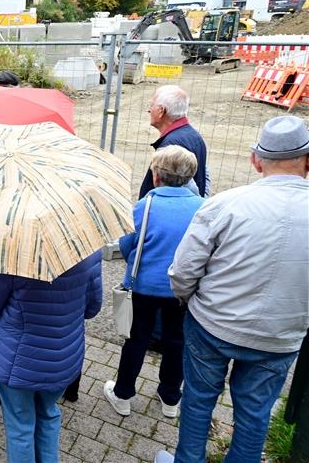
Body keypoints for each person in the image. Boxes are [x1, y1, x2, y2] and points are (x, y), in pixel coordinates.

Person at [156, 115, 309, 463]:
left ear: (256, 160)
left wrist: (186, 298)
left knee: (198, 400)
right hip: (280, 336)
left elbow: (182, 271)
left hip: (212, 325)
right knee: (255, 414)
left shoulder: (224, 205)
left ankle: (188, 459)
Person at [102, 146, 204, 419]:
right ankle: (170, 398)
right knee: (176, 341)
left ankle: (123, 395)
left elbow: (126, 243)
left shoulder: (144, 206)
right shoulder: (202, 208)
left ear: (157, 176)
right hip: (182, 288)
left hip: (144, 286)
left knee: (136, 339)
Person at [0, 252, 103, 463]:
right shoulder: (89, 253)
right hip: (63, 357)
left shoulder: (12, 256)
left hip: (16, 362)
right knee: (48, 413)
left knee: (20, 426)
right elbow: (92, 308)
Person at [139, 85, 208, 199]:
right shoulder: (193, 136)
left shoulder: (172, 147)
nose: (149, 110)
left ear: (161, 111)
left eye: (152, 105)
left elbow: (163, 192)